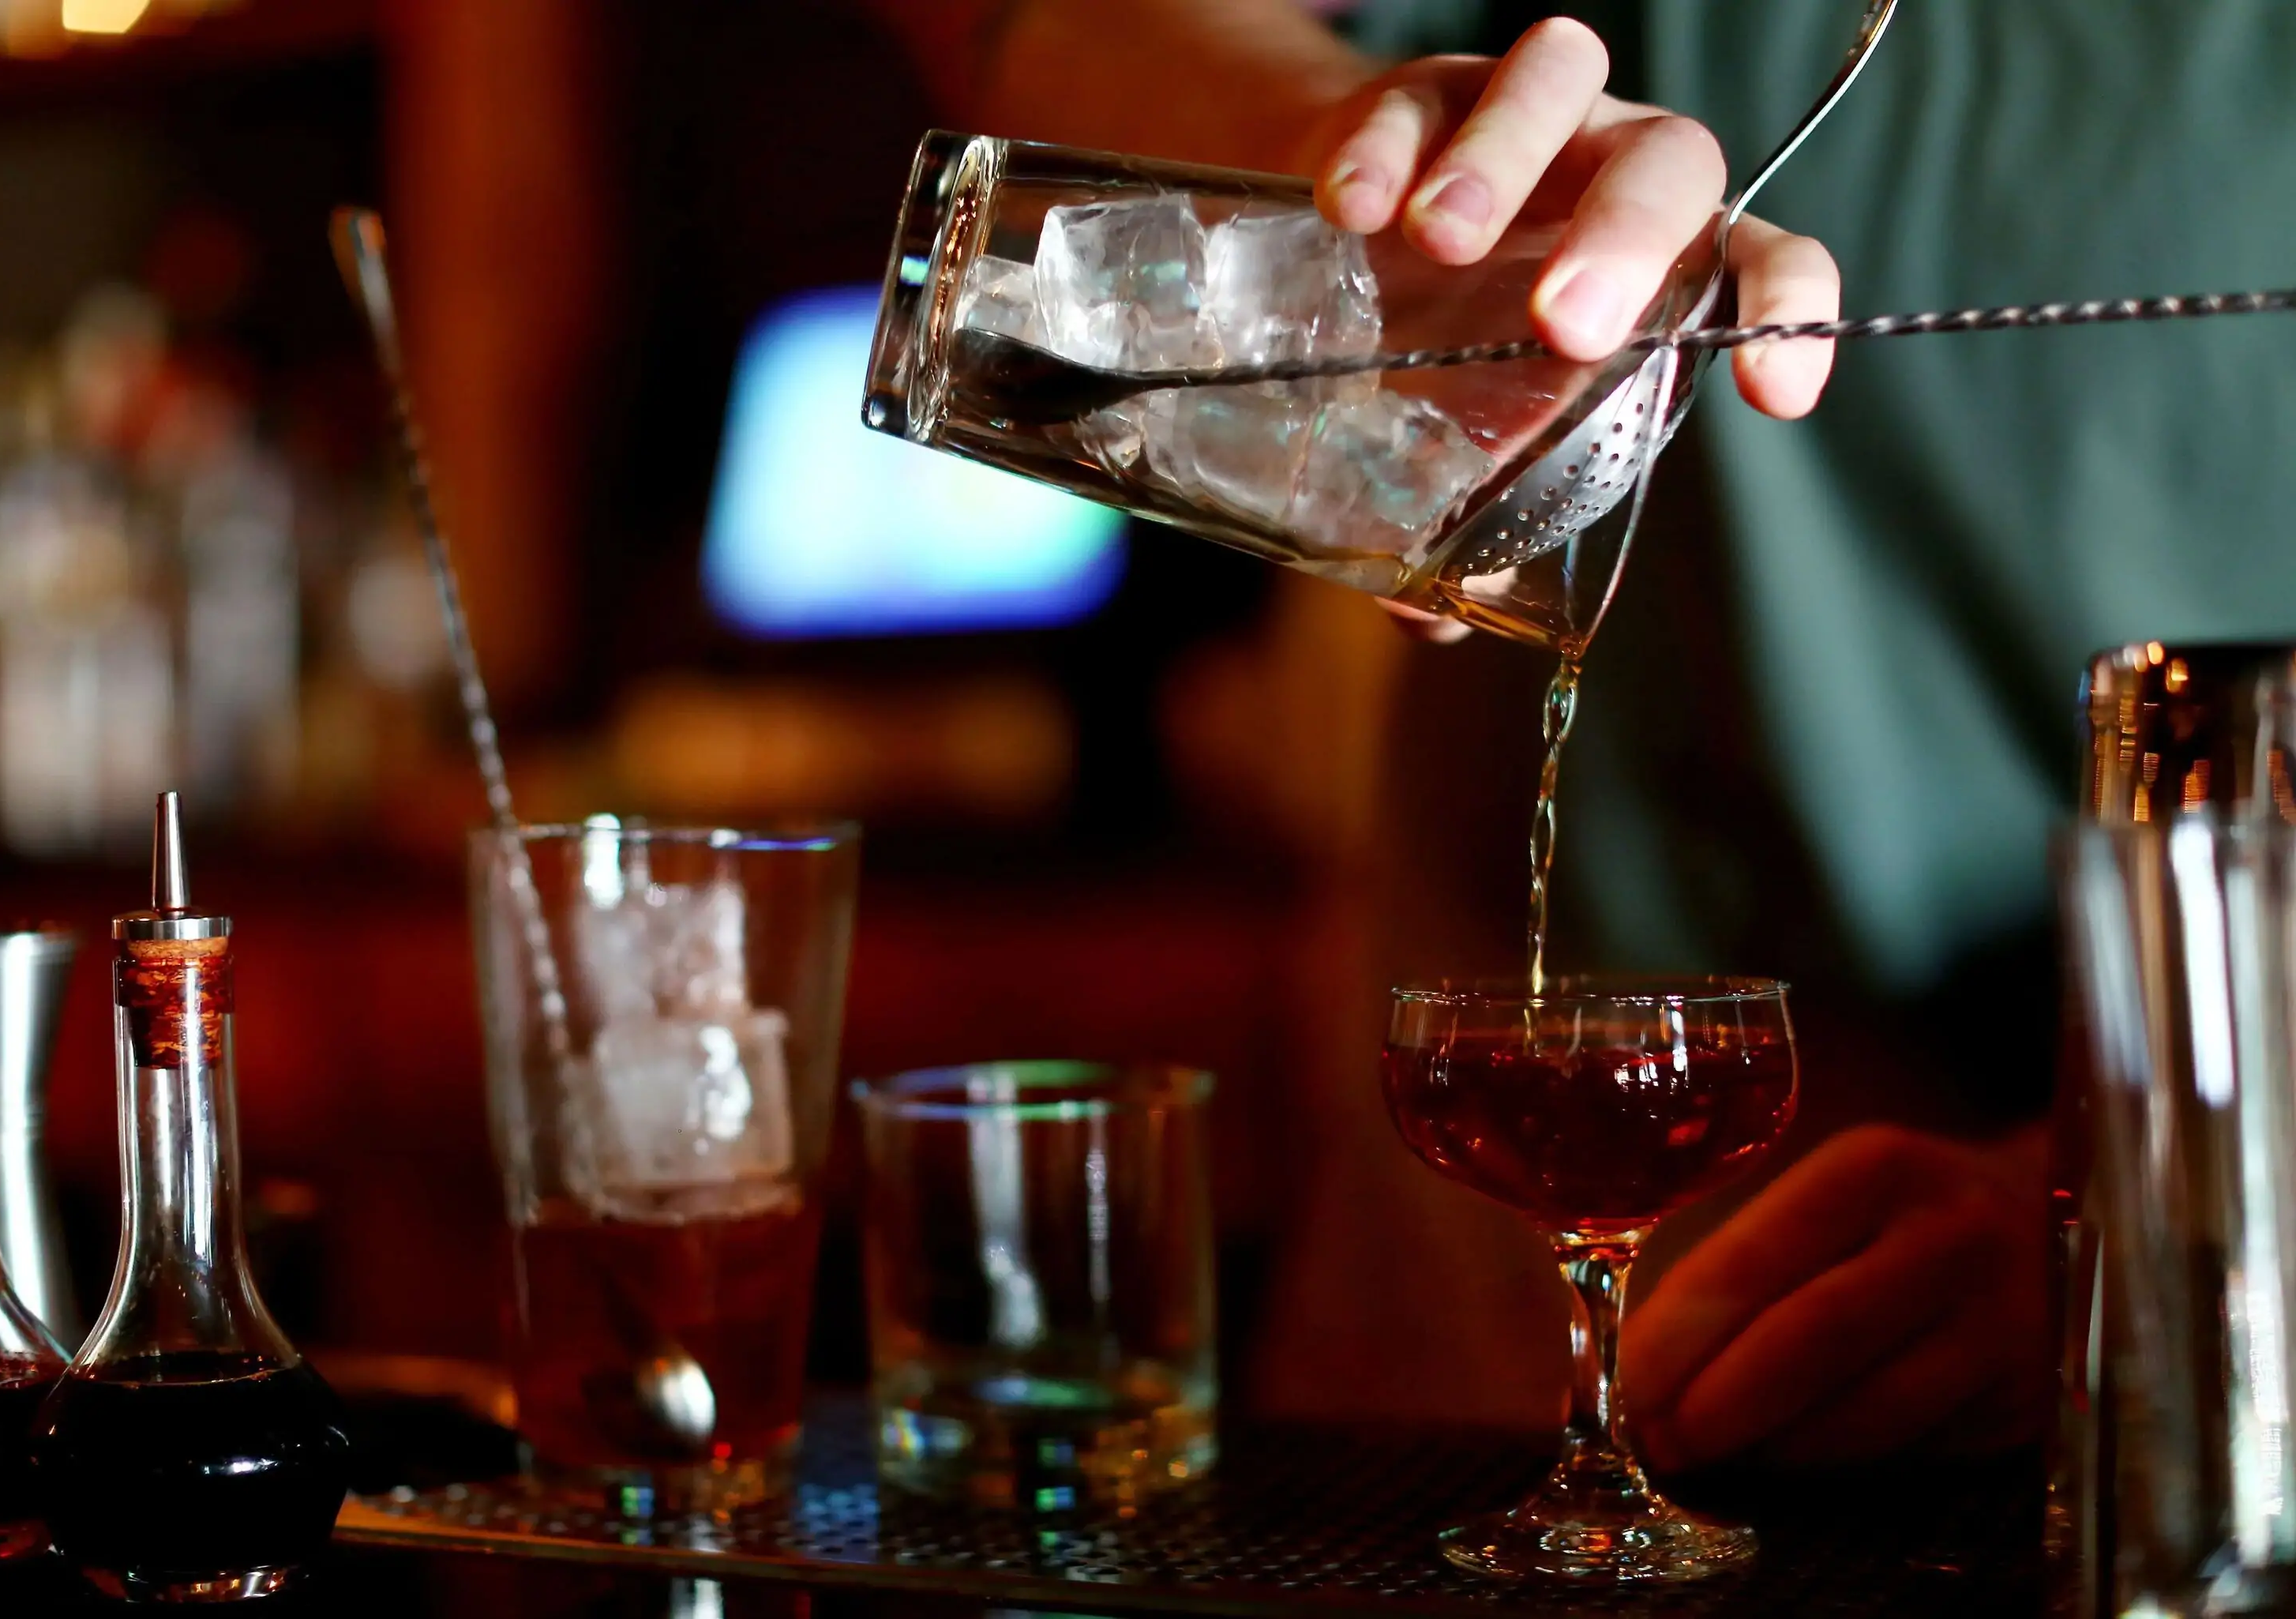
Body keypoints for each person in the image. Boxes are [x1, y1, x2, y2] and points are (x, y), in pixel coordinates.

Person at [861, 0, 2296, 1469]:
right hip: (1462, 1315)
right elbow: (1031, 27)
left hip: (2182, 1299)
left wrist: (2187, 1190)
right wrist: (1327, 164)